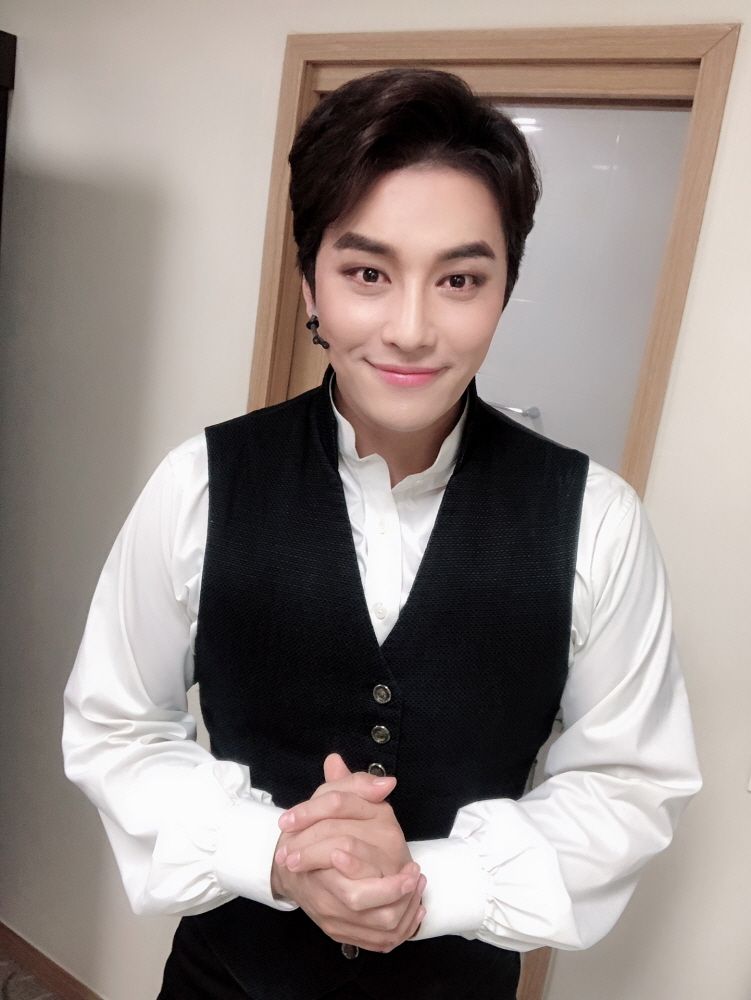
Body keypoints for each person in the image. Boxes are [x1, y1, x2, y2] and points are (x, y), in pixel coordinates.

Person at [62, 68, 701, 1000]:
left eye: (459, 280)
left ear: (505, 290)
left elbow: (627, 783)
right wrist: (272, 855)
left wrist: (429, 885)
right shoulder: (198, 483)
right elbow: (115, 725)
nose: (409, 328)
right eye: (367, 273)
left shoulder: (597, 520)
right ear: (310, 285)